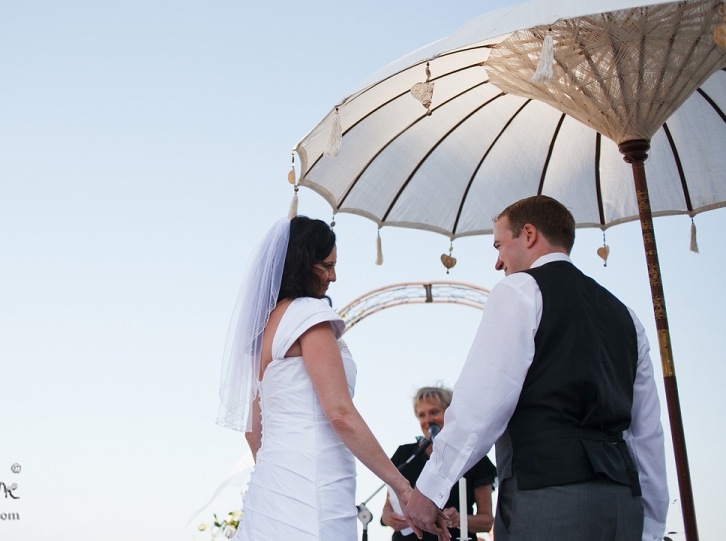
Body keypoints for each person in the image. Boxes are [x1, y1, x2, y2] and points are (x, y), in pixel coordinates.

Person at [404, 195, 668, 541]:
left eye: (499, 245)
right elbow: (646, 432)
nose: (498, 263)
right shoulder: (627, 317)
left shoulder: (519, 290)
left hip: (549, 497)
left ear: (528, 235)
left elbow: (482, 402)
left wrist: (430, 487)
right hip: (623, 505)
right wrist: (651, 524)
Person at [217, 216, 418, 540]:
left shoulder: (261, 331)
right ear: (301, 263)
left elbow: (253, 433)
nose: (333, 276)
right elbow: (340, 414)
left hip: (271, 490)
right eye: (326, 265)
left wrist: (279, 483)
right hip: (317, 484)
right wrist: (402, 486)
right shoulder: (309, 315)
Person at [381, 386, 496, 541]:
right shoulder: (404, 455)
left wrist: (460, 520)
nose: (428, 420)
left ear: (450, 414)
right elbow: (388, 507)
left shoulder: (473, 457)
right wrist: (389, 518)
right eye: (422, 415)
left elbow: (487, 521)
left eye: (434, 412)